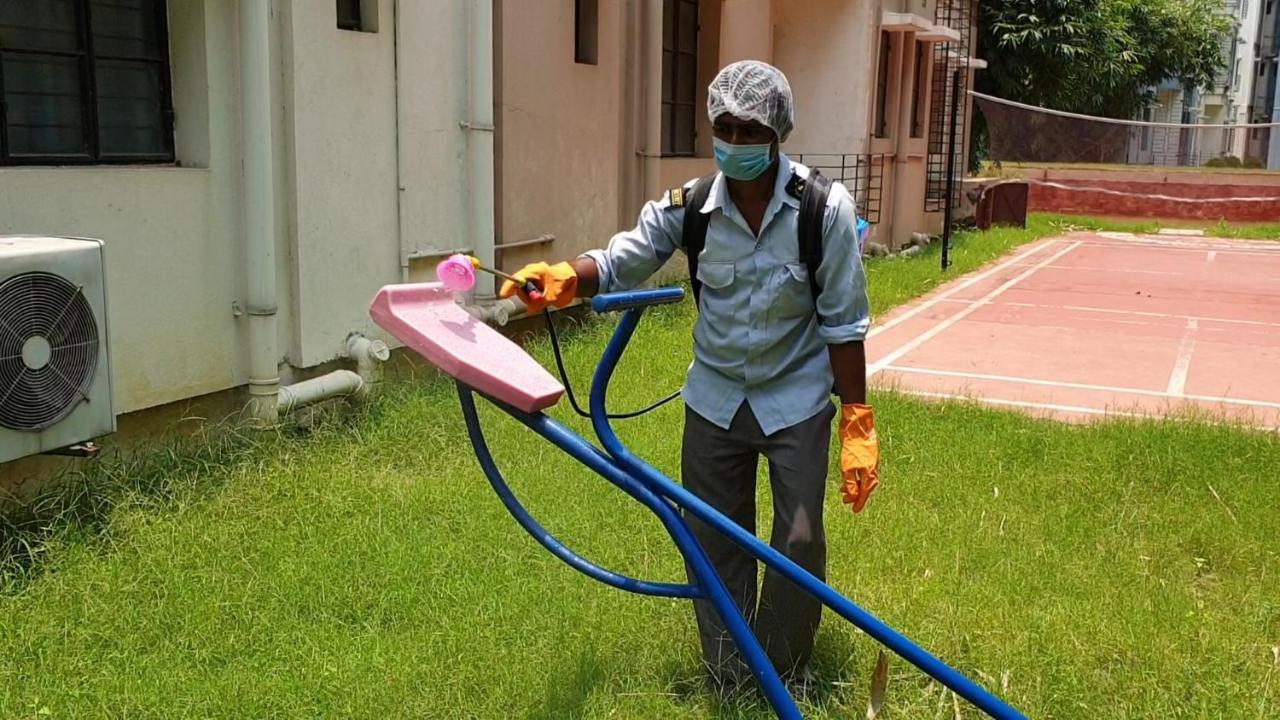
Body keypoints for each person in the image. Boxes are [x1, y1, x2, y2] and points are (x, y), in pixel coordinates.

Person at [499, 60, 880, 689]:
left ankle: (780, 672)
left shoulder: (822, 211)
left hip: (797, 401)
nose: (733, 141)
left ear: (777, 134)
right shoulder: (694, 207)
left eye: (748, 130)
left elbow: (844, 324)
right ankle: (730, 673)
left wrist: (858, 424)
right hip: (716, 401)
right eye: (723, 127)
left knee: (800, 543)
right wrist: (567, 276)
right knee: (711, 541)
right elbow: (626, 256)